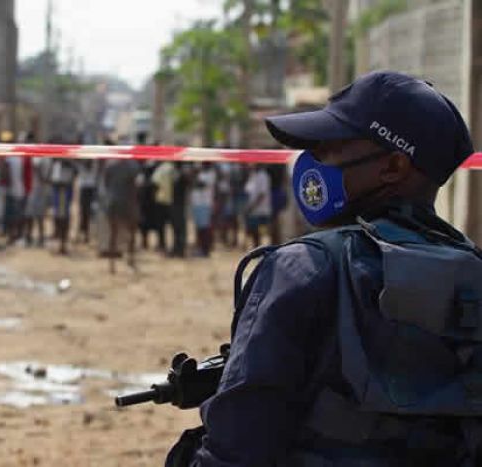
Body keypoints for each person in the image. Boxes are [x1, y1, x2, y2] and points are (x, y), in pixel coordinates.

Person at [166, 71, 482, 466]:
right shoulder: (472, 271)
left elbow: (236, 448)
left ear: (394, 166)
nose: (313, 163)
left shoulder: (303, 268)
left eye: (329, 148)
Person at [103, 159, 140, 274]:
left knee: (113, 233)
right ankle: (130, 260)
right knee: (131, 232)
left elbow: (106, 184)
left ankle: (112, 264)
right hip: (126, 202)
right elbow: (134, 186)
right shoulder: (132, 166)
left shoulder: (110, 165)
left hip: (113, 201)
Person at [242, 164, 272, 249]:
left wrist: (252, 206)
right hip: (253, 209)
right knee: (253, 231)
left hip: (261, 209)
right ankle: (256, 248)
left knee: (261, 232)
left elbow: (262, 194)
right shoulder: (252, 175)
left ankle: (260, 249)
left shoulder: (263, 175)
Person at [190, 163, 216, 257]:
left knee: (205, 228)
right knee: (199, 228)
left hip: (205, 204)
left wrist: (193, 175)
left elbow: (200, 185)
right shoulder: (200, 173)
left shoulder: (211, 174)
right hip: (196, 203)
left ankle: (206, 250)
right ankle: (200, 248)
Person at [152, 161, 174, 253]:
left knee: (160, 225)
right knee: (173, 225)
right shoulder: (172, 168)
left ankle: (162, 244)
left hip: (161, 200)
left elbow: (155, 183)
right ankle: (173, 246)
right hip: (172, 200)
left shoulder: (160, 169)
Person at [169, 162, 191, 258]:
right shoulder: (176, 175)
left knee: (180, 229)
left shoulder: (181, 175)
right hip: (176, 204)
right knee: (176, 228)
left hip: (180, 205)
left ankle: (180, 250)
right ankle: (177, 249)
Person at [77, 160, 97, 244]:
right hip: (84, 188)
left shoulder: (94, 163)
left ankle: (87, 235)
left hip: (91, 188)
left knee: (89, 213)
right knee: (83, 212)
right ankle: (83, 234)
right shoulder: (81, 164)